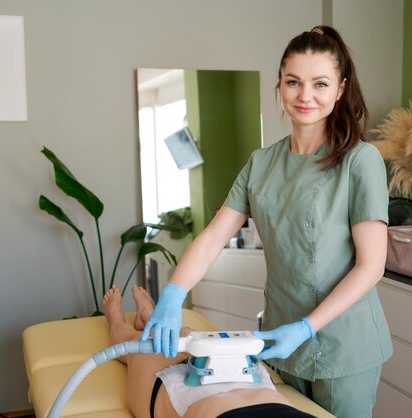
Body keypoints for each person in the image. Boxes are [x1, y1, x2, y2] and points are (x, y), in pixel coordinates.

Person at [142, 25, 393, 418]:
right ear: (280, 84)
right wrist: (173, 293)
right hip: (280, 341)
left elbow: (371, 266)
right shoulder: (261, 164)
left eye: (320, 83)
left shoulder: (360, 161)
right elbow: (211, 240)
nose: (305, 95)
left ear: (340, 89)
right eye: (294, 82)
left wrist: (307, 328)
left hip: (345, 344)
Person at [104, 286, 318, 418]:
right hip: (245, 375)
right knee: (187, 335)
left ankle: (117, 319)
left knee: (134, 343)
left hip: (181, 393)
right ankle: (150, 318)